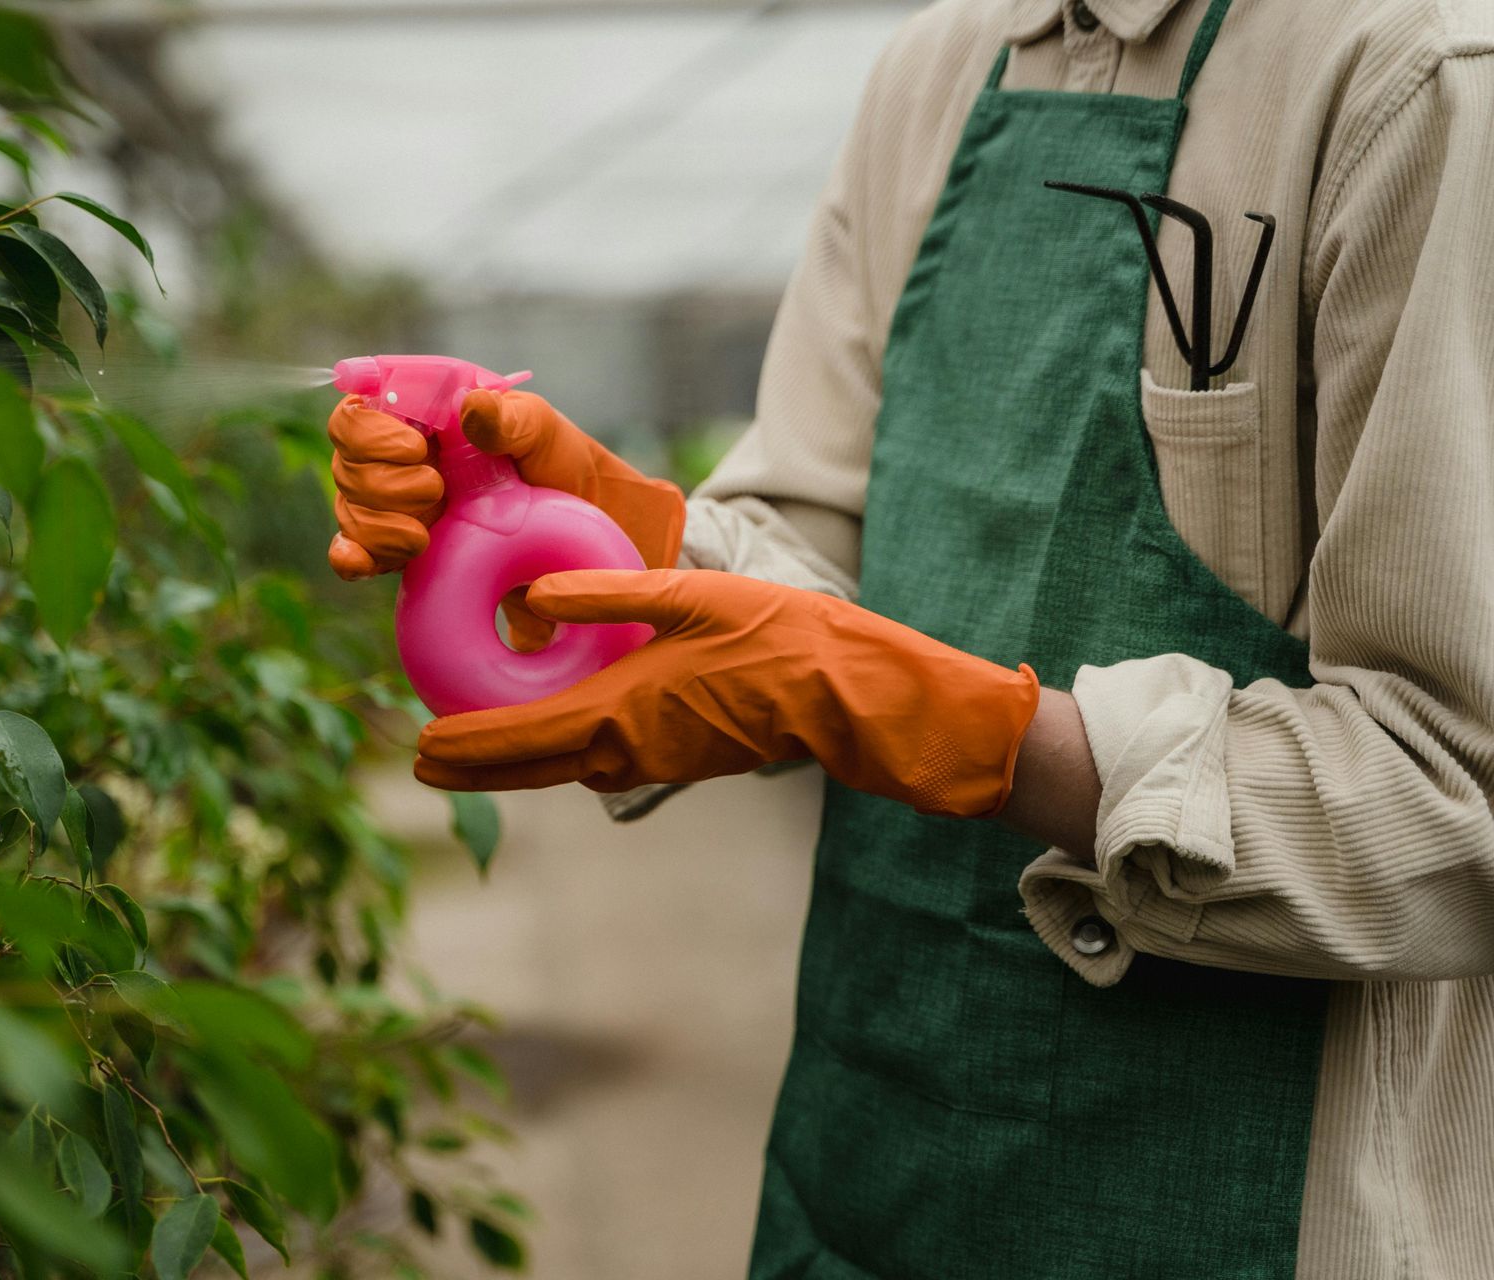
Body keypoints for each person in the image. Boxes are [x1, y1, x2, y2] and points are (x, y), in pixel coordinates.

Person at [324, 0, 1494, 1274]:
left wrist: (965, 730)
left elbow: (1455, 787)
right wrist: (627, 540)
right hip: (877, 1138)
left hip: (1235, 1195)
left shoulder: (1413, 75)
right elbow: (810, 528)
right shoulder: (937, 70)